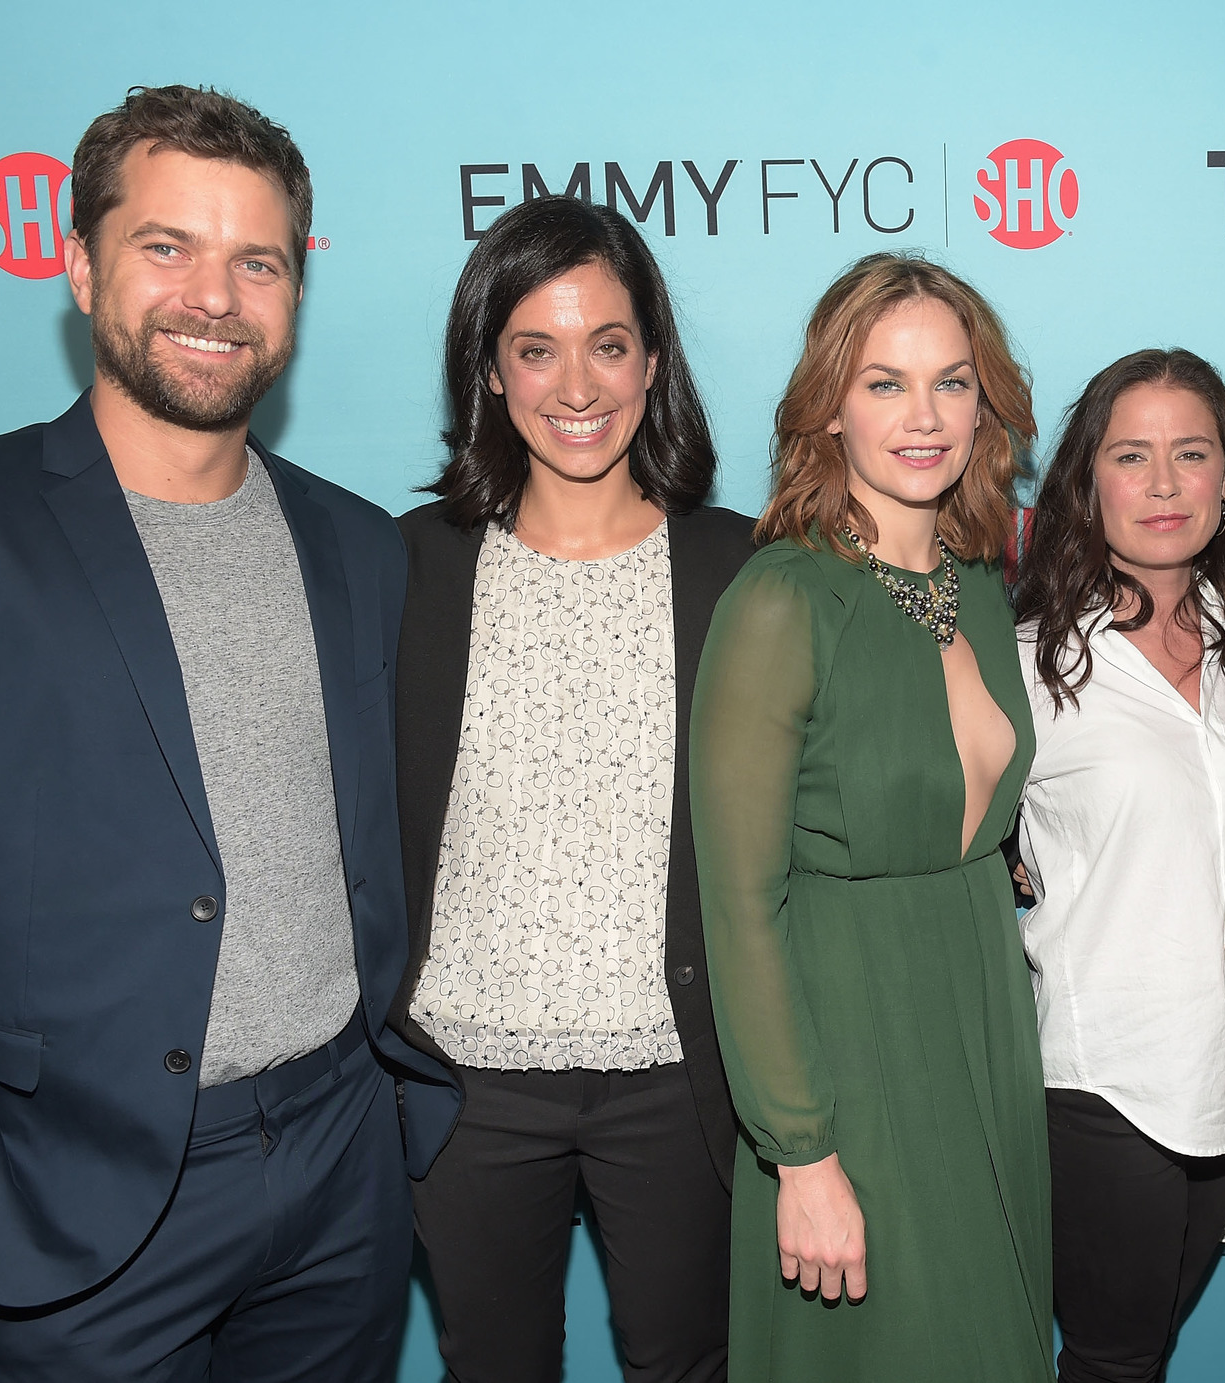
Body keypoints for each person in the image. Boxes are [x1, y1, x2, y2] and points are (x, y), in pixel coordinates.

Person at [0, 86, 458, 1381]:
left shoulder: (359, 547)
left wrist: (390, 1123)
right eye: (168, 247)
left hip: (340, 1171)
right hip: (71, 1209)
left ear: (295, 293)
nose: (215, 294)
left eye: (255, 260)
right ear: (80, 260)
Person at [390, 197, 749, 1383]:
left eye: (607, 343)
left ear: (652, 358)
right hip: (468, 1083)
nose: (576, 384)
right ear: (489, 372)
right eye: (535, 349)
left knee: (688, 1364)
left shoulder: (738, 568)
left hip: (677, 1075)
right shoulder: (412, 565)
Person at [688, 252, 1050, 1382]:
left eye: (951, 381)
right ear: (827, 408)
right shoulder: (781, 599)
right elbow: (740, 905)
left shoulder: (977, 578)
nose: (923, 415)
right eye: (884, 383)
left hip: (982, 1025)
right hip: (847, 1050)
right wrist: (800, 1154)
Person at [1011, 348, 1225, 1383]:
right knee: (1111, 1360)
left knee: (1140, 1353)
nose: (1164, 484)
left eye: (1191, 454)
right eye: (1130, 457)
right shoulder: (1028, 665)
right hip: (1104, 1078)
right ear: (1086, 484)